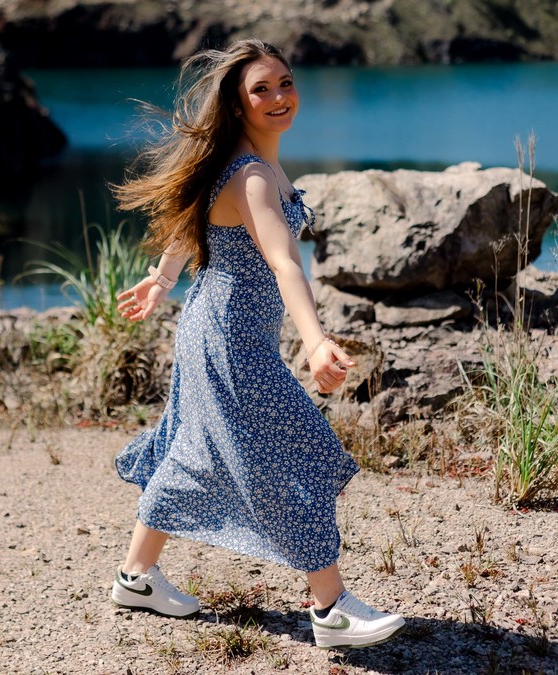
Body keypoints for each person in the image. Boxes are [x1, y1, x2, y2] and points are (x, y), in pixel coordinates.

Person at [108, 38, 405, 650]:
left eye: (285, 83)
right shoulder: (252, 176)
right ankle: (331, 610)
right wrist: (316, 342)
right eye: (261, 90)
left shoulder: (248, 162)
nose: (278, 97)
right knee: (293, 453)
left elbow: (197, 216)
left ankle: (136, 578)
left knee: (196, 451)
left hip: (216, 329)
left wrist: (163, 279)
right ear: (238, 104)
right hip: (229, 339)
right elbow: (283, 261)